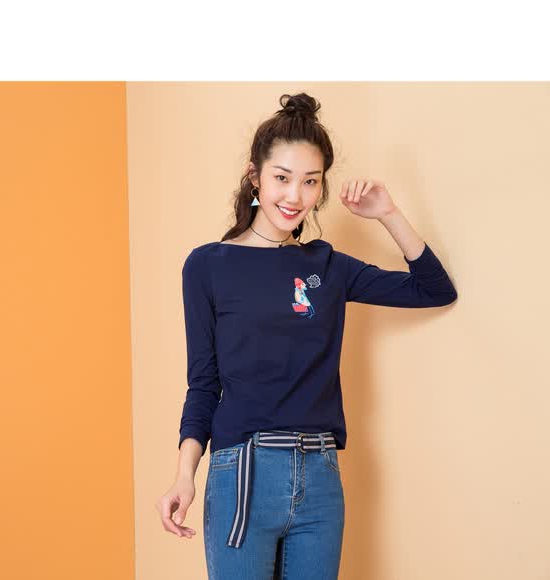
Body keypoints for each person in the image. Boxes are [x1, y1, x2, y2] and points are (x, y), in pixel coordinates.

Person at [155, 93, 458, 579]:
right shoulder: (208, 266)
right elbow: (203, 384)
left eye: (310, 181)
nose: (294, 196)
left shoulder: (328, 266)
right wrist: (184, 476)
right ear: (255, 177)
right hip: (243, 475)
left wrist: (387, 212)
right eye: (282, 178)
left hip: (319, 476)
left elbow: (434, 290)